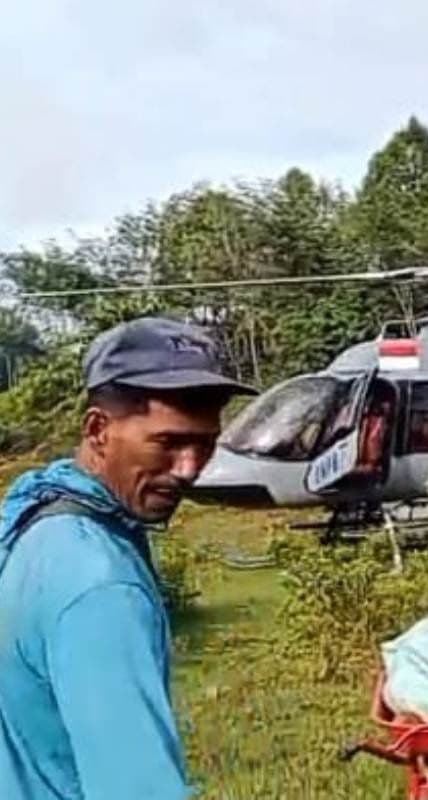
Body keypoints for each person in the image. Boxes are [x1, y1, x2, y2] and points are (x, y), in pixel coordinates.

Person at [0, 317, 257, 800]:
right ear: (98, 429)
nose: (189, 470)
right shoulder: (100, 585)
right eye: (168, 443)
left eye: (203, 444)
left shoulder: (39, 521)